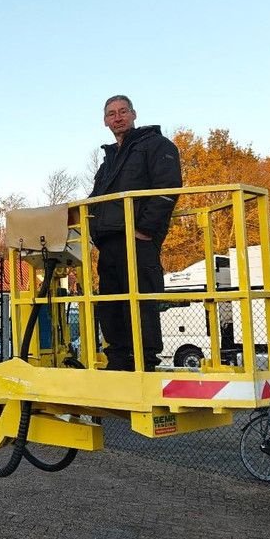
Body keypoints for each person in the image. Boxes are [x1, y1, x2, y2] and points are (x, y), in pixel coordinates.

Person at [88, 95, 181, 371]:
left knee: (141, 301)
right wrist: (92, 231)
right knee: (111, 303)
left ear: (134, 114)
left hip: (139, 240)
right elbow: (95, 199)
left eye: (122, 111)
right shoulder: (108, 161)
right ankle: (118, 360)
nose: (117, 117)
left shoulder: (156, 146)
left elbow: (168, 187)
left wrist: (145, 229)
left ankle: (144, 362)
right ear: (105, 121)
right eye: (111, 113)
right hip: (109, 242)